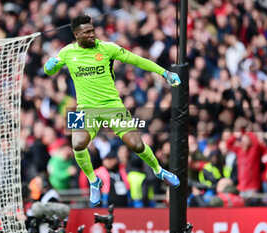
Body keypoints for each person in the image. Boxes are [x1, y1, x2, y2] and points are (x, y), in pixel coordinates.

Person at [44, 15, 180, 206]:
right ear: (77, 35)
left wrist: (164, 73)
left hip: (112, 105)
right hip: (84, 108)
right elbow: (50, 70)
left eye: (93, 30)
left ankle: (159, 171)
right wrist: (49, 65)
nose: (92, 34)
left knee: (137, 145)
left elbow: (137, 60)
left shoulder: (107, 48)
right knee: (77, 144)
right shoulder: (67, 52)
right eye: (87, 32)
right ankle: (94, 181)